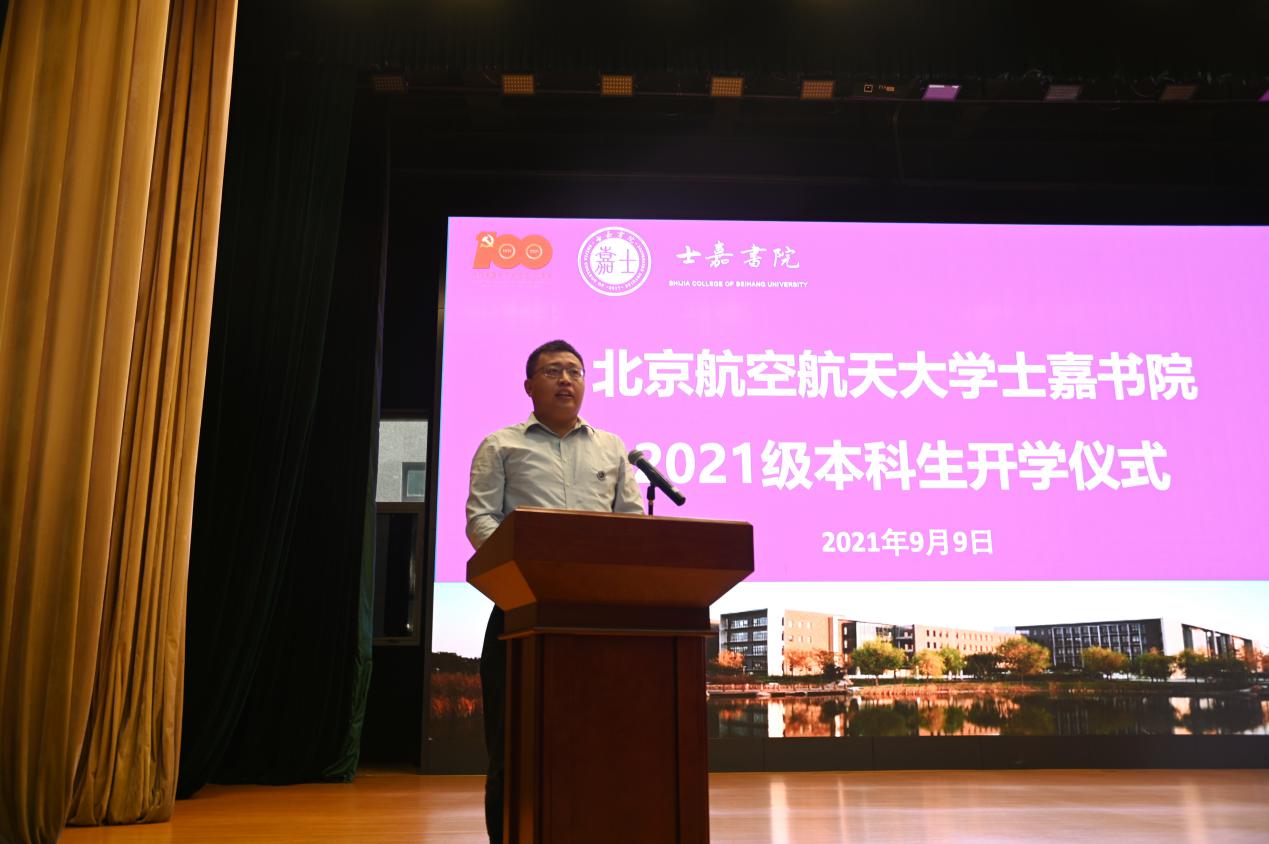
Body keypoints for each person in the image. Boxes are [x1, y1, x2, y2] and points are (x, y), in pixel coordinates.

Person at [466, 339, 643, 843]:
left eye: (574, 371)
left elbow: (630, 522)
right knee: (511, 747)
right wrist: (520, 574)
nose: (566, 380)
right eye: (553, 371)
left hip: (595, 618)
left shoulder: (612, 447)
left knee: (595, 745)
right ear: (529, 386)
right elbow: (481, 519)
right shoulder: (501, 445)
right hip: (519, 610)